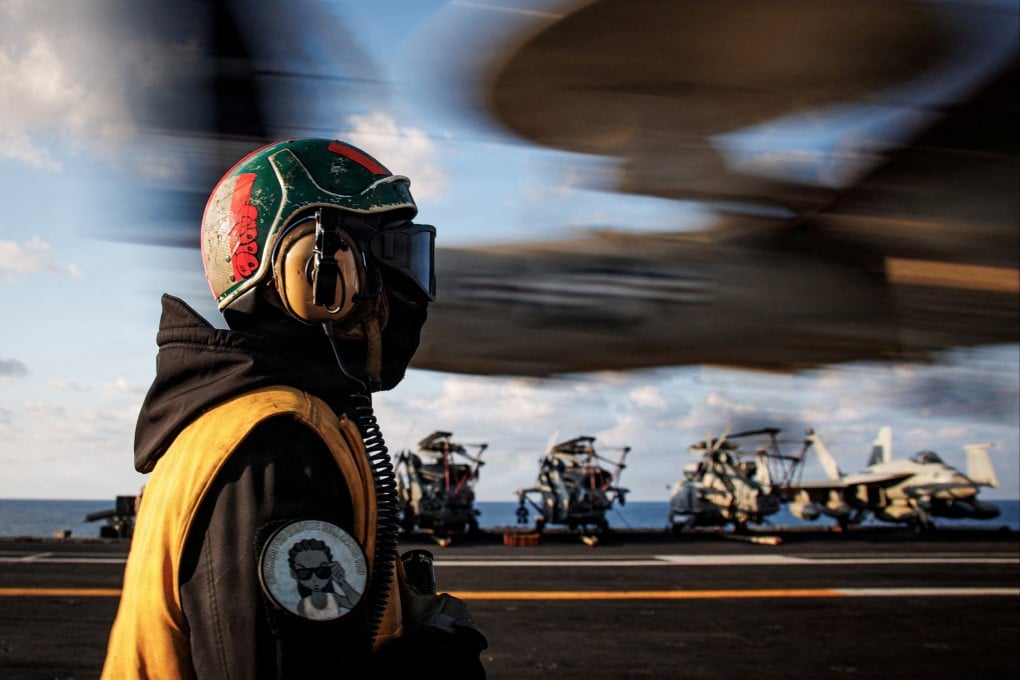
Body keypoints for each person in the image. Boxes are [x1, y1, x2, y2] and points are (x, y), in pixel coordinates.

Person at [101, 138, 486, 678]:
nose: (411, 289)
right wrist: (439, 659)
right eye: (395, 257)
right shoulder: (273, 449)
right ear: (320, 274)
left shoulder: (262, 422)